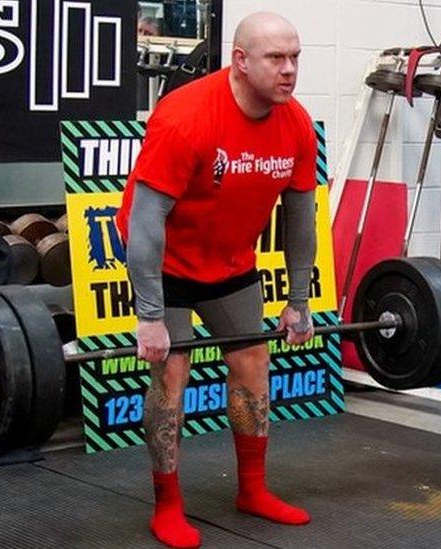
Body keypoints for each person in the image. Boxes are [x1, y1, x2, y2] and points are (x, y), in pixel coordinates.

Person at [115, 11, 317, 549]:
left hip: (230, 262)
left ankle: (252, 489)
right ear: (241, 60)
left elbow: (300, 218)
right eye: (277, 58)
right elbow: (145, 222)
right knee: (170, 376)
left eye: (295, 57)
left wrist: (299, 301)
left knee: (253, 364)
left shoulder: (295, 123)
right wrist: (151, 317)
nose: (290, 70)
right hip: (166, 261)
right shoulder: (185, 118)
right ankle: (168, 506)